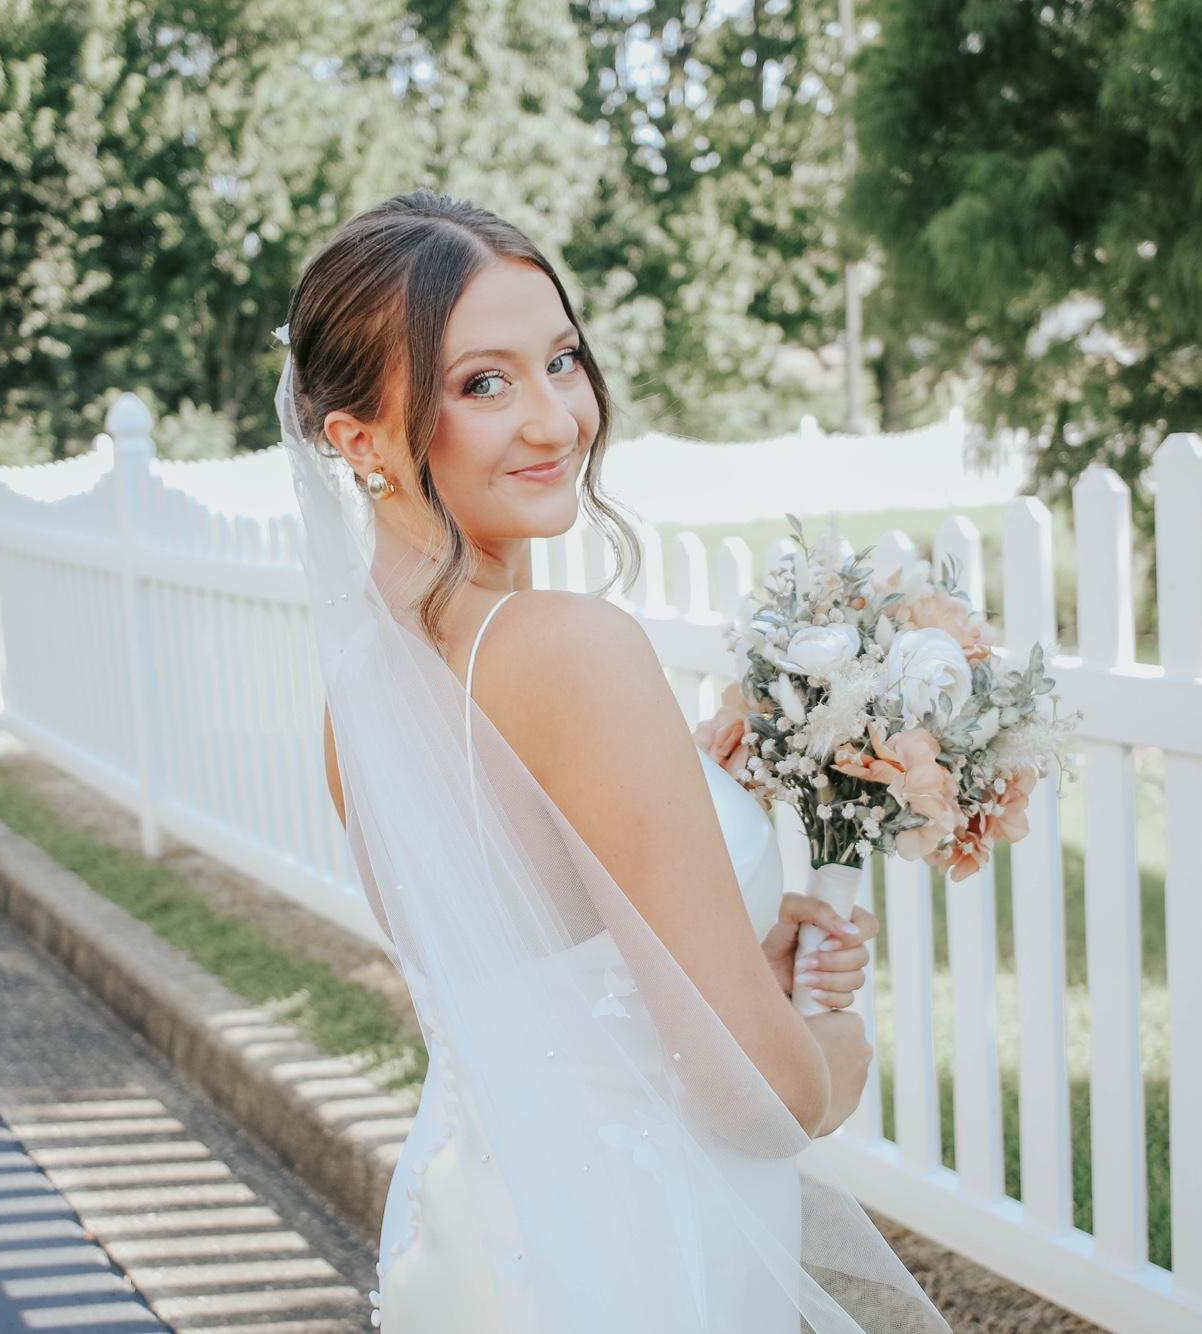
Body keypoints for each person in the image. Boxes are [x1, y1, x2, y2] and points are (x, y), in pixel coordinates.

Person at [276, 187, 952, 1332]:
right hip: (642, 1254)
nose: (555, 420)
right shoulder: (568, 648)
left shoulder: (365, 684)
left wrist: (732, 948)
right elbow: (755, 1099)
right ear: (358, 439)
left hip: (477, 1238)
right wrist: (836, 1042)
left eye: (561, 361)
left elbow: (534, 963)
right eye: (481, 383)